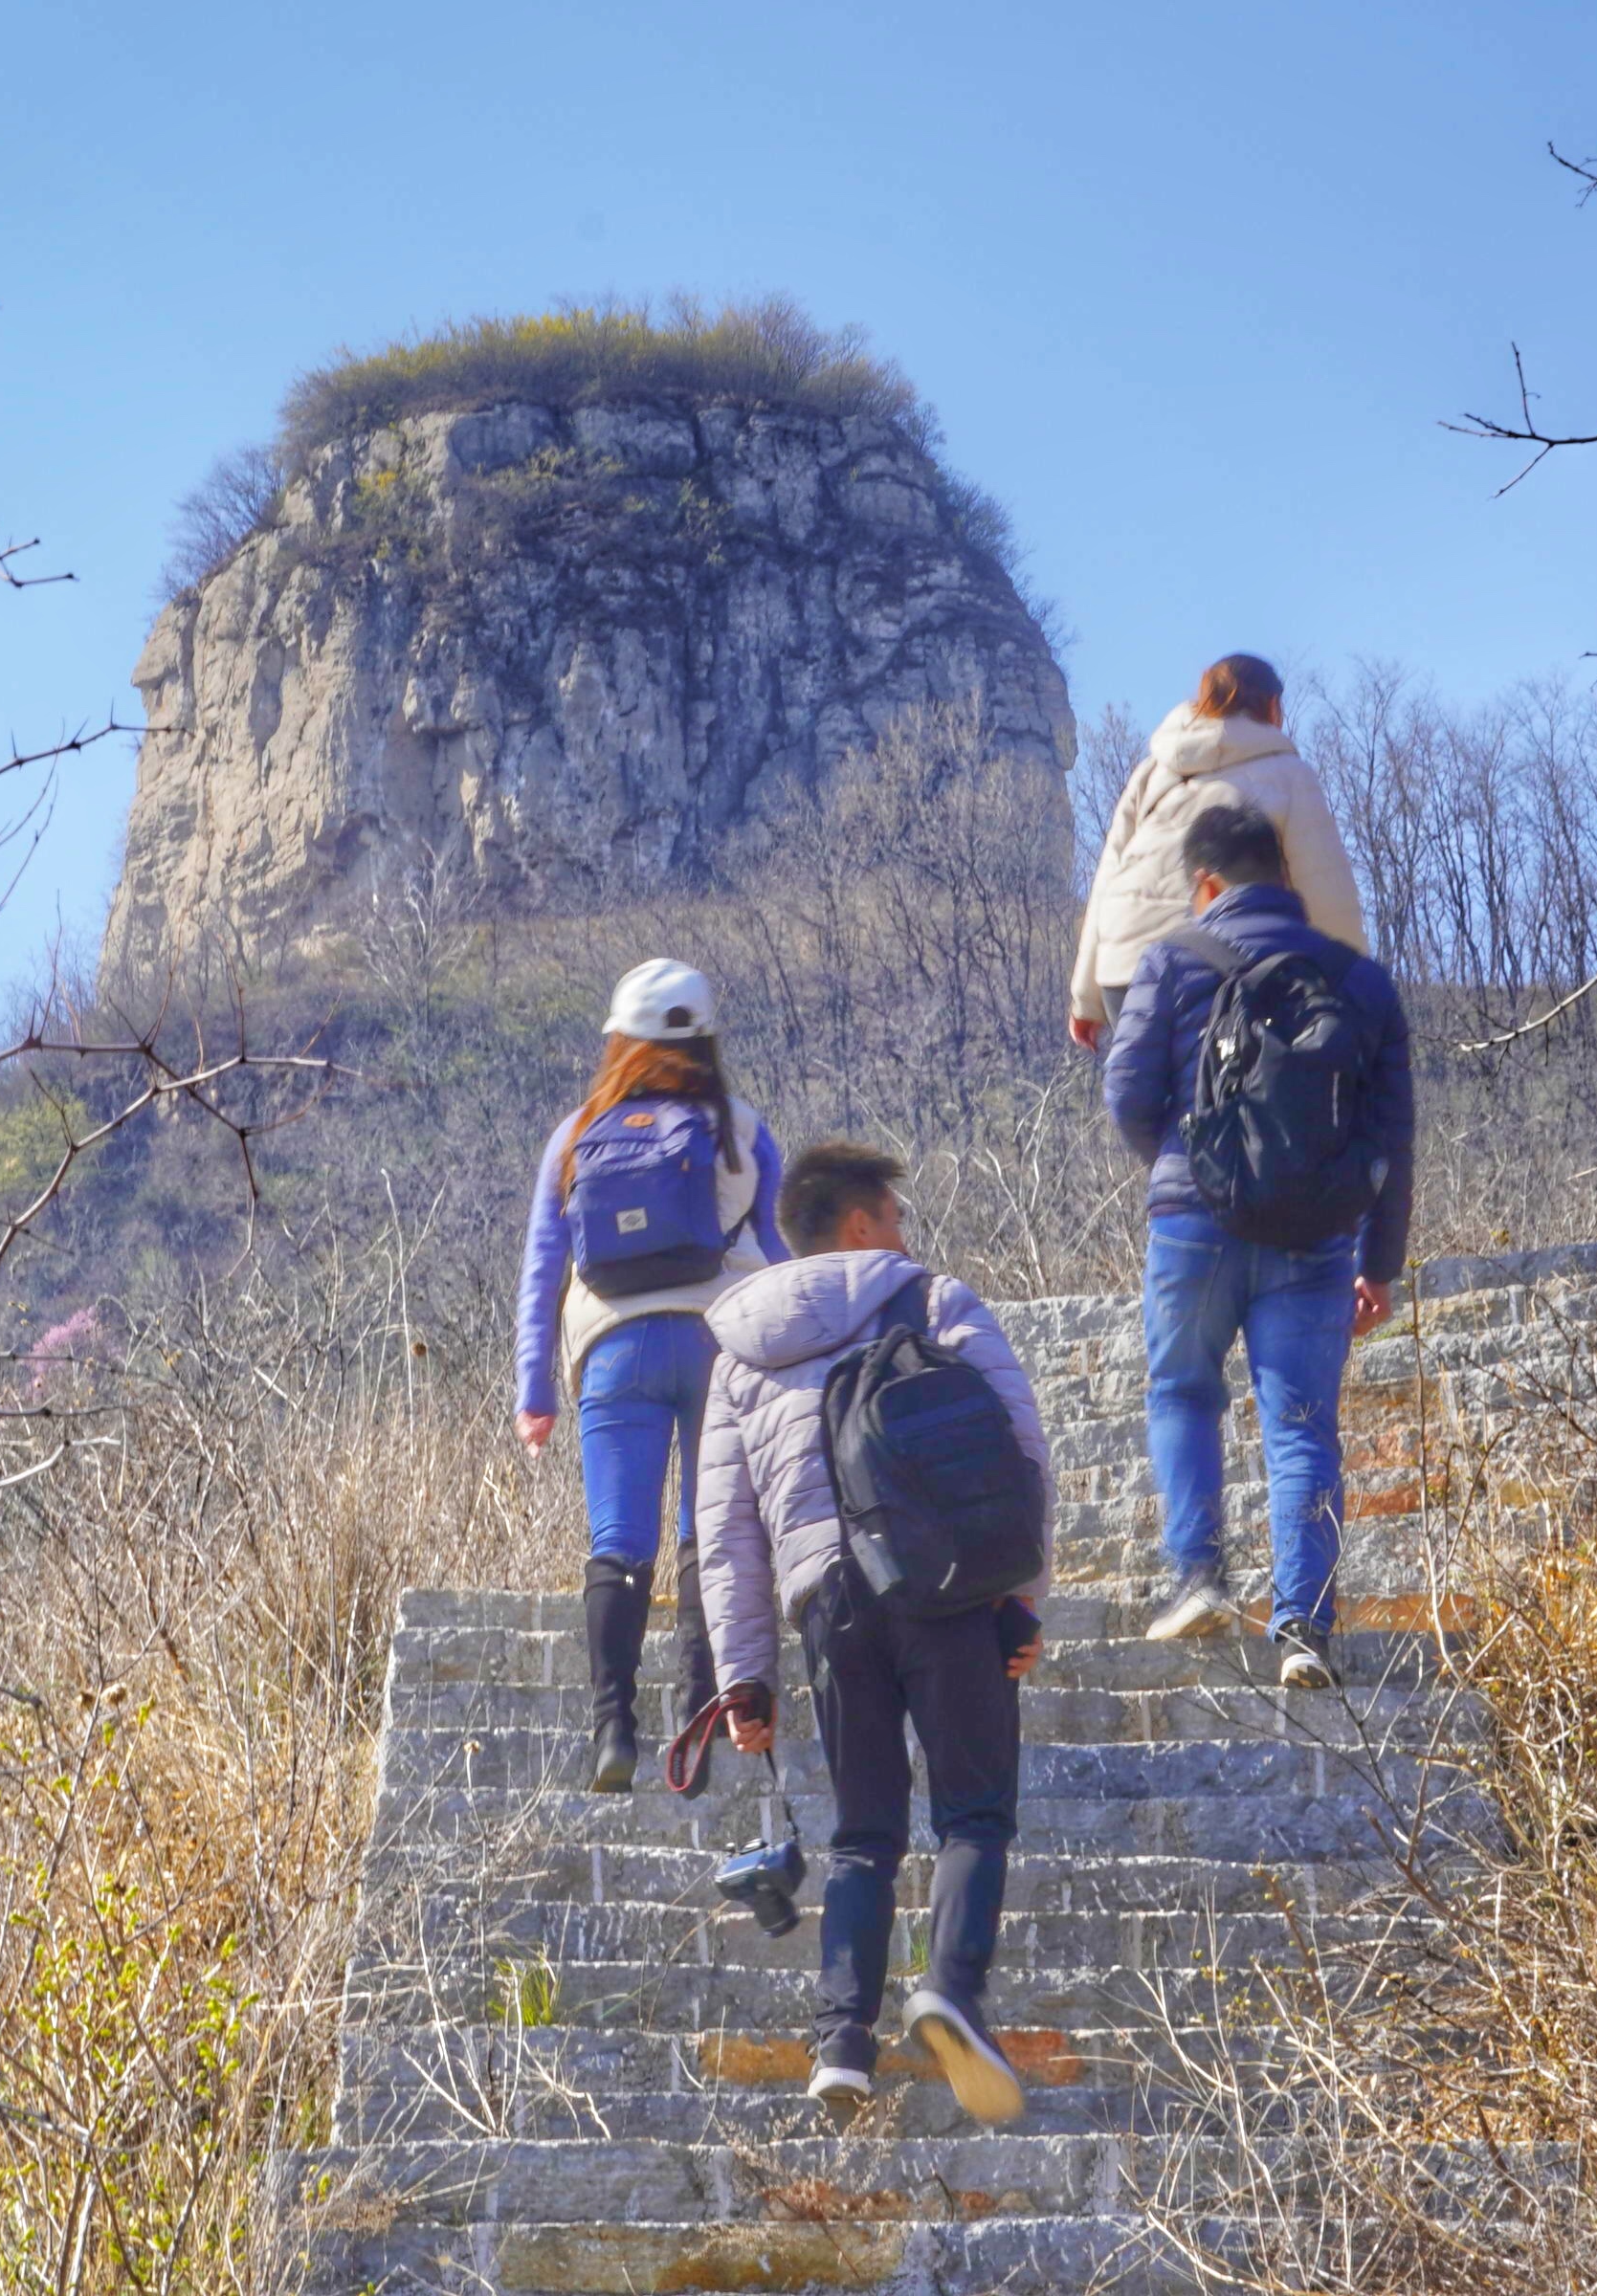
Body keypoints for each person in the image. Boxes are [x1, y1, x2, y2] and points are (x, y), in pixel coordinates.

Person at [694, 1142, 1052, 2123]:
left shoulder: (738, 1352)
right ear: (858, 1225)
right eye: (892, 1215)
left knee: (862, 1835)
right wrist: (1022, 1595)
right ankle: (950, 1992)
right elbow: (1019, 1448)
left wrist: (744, 1679)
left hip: (828, 1604)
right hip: (942, 1577)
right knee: (973, 1811)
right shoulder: (930, 1300)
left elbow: (723, 1536)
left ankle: (841, 2043)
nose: (902, 1232)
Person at [1101, 800, 1416, 1691]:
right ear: (1285, 876)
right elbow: (1393, 1137)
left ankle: (1199, 1577)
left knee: (1182, 1391)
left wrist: (1183, 1166)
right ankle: (1305, 1627)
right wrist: (1379, 1265)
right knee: (1304, 1430)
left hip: (1193, 1224)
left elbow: (1126, 1097)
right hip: (1316, 1235)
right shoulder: (1359, 979)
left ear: (1205, 885)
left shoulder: (1171, 960)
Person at [515, 959, 789, 1794]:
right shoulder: (742, 1128)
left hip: (616, 1350)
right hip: (721, 1345)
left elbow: (543, 1268)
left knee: (619, 1539)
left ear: (618, 1044)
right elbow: (776, 1256)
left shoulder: (576, 1136)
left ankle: (613, 1730)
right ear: (704, 1041)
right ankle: (701, 1716)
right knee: (708, 1535)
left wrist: (535, 1391)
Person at [1070, 653, 1371, 1050]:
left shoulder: (1153, 773)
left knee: (1150, 1103)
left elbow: (1109, 881)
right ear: (1273, 707)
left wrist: (1085, 998)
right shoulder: (1288, 775)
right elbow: (1326, 890)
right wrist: (1358, 988)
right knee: (1234, 1100)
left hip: (1125, 974)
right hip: (1218, 969)